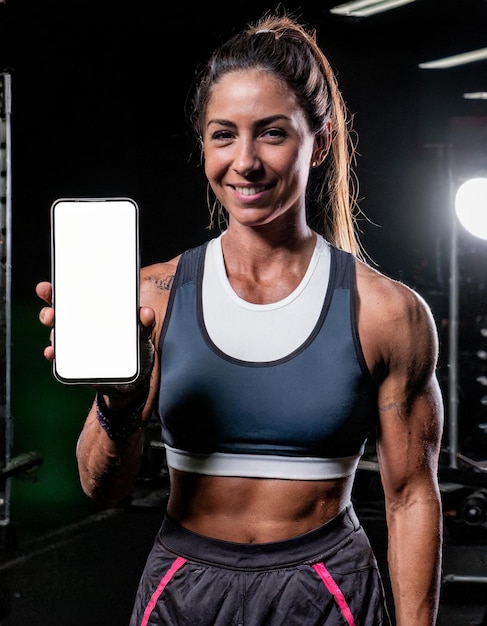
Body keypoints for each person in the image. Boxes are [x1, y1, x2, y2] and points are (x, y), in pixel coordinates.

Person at [36, 10, 444, 626]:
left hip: (325, 588)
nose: (245, 162)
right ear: (203, 144)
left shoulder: (386, 313)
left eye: (273, 133)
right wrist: (118, 405)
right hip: (183, 586)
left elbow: (412, 496)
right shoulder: (155, 295)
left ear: (322, 139)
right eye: (223, 134)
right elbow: (101, 488)